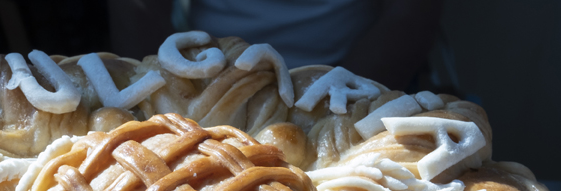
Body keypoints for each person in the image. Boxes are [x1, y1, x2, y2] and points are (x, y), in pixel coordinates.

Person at [109, 0, 442, 92]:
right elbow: (138, 11)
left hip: (352, 78)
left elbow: (411, 15)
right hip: (208, 81)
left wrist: (336, 98)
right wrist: (183, 93)